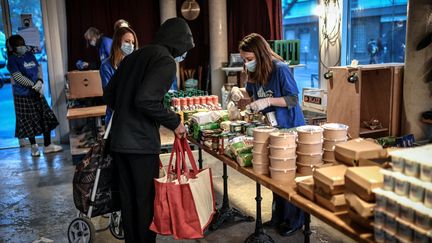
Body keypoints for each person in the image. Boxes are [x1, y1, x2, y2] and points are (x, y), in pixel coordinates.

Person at [103, 17, 194, 243]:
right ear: (178, 42)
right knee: (145, 203)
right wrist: (175, 122)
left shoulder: (134, 56)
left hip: (119, 142)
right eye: (185, 47)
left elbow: (109, 96)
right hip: (140, 145)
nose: (185, 53)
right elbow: (146, 100)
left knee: (128, 202)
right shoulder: (164, 61)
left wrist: (127, 114)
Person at [239, 33, 306, 236]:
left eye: (249, 59)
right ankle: (278, 216)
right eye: (243, 59)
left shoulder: (280, 69)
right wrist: (241, 98)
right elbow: (251, 96)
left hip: (290, 128)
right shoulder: (253, 72)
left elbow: (293, 99)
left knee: (288, 177)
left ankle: (295, 220)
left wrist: (268, 102)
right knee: (274, 177)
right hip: (272, 129)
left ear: (260, 54)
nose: (246, 63)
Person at [6, 35, 62, 156]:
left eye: (23, 44)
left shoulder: (29, 55)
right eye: (19, 45)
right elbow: (18, 77)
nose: (22, 47)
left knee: (45, 116)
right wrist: (33, 85)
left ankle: (47, 145)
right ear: (13, 48)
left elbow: (38, 69)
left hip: (36, 91)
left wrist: (40, 81)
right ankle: (34, 147)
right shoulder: (12, 60)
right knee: (28, 120)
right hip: (23, 95)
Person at [100, 26, 138, 122]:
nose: (130, 45)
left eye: (132, 42)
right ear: (117, 42)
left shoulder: (135, 63)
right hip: (116, 116)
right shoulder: (106, 66)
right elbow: (110, 96)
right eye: (127, 41)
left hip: (134, 115)